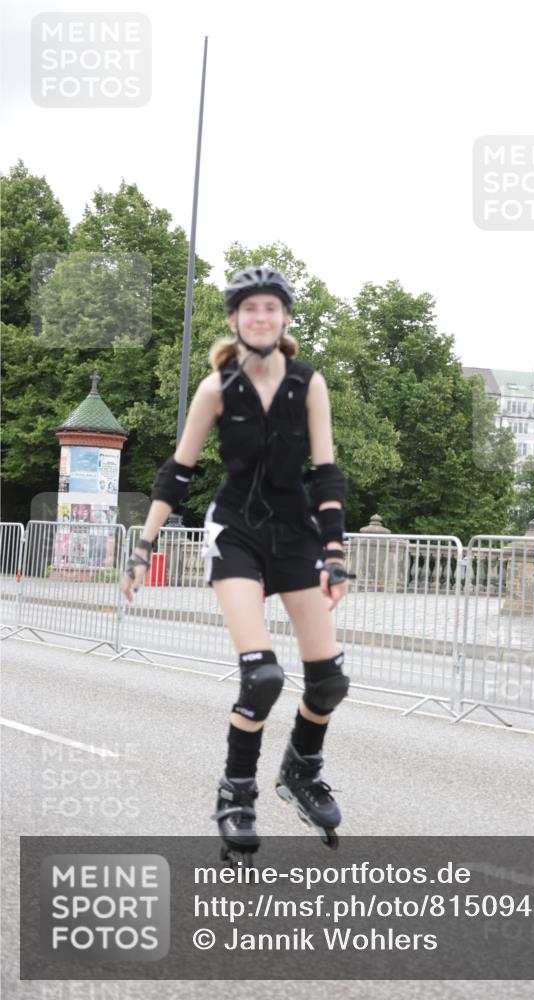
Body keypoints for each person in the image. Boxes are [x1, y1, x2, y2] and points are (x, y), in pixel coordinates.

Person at [121, 266, 354, 857]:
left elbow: (325, 472)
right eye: (250, 308)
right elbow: (178, 472)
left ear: (285, 318)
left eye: (271, 308)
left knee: (328, 681)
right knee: (264, 676)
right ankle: (237, 793)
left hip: (296, 535)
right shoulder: (216, 389)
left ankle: (300, 771)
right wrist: (143, 546)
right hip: (237, 534)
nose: (261, 317)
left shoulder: (310, 384)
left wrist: (333, 549)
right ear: (234, 319)